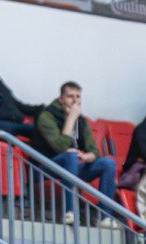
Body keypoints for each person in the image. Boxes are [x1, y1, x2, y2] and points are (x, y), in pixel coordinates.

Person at [33, 81, 117, 224]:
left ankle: (104, 217)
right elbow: (60, 147)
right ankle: (69, 211)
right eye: (70, 96)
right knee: (70, 155)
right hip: (45, 165)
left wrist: (86, 156)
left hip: (71, 165)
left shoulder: (81, 121)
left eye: (78, 97)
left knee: (108, 163)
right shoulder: (46, 116)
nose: (75, 101)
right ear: (61, 99)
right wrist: (71, 119)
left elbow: (94, 151)